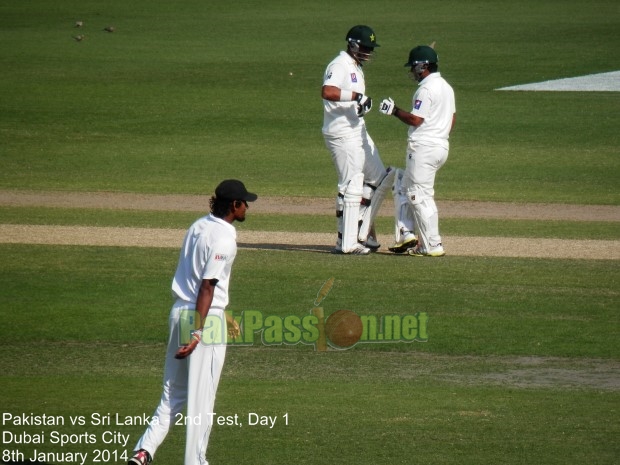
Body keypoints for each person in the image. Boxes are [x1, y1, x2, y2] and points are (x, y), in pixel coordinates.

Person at [128, 179, 257, 465]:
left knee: (172, 392)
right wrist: (199, 330)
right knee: (202, 400)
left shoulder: (198, 226)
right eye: (244, 202)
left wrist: (220, 312)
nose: (247, 206)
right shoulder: (225, 238)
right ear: (234, 206)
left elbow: (196, 278)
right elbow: (207, 286)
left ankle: (143, 451)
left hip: (179, 312)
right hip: (203, 321)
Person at [321, 25, 395, 255]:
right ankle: (346, 242)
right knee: (350, 185)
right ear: (353, 45)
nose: (368, 52)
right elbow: (328, 91)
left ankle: (363, 231)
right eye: (365, 47)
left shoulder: (356, 66)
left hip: (358, 130)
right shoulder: (339, 65)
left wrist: (359, 104)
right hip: (341, 133)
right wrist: (356, 97)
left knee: (380, 178)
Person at [379, 44, 456, 257]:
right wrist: (439, 134)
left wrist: (393, 111)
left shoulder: (426, 89)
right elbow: (452, 118)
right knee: (403, 186)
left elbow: (416, 119)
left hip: (424, 148)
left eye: (414, 68)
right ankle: (407, 234)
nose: (412, 72)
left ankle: (432, 244)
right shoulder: (446, 87)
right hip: (440, 146)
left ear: (422, 66)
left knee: (419, 196)